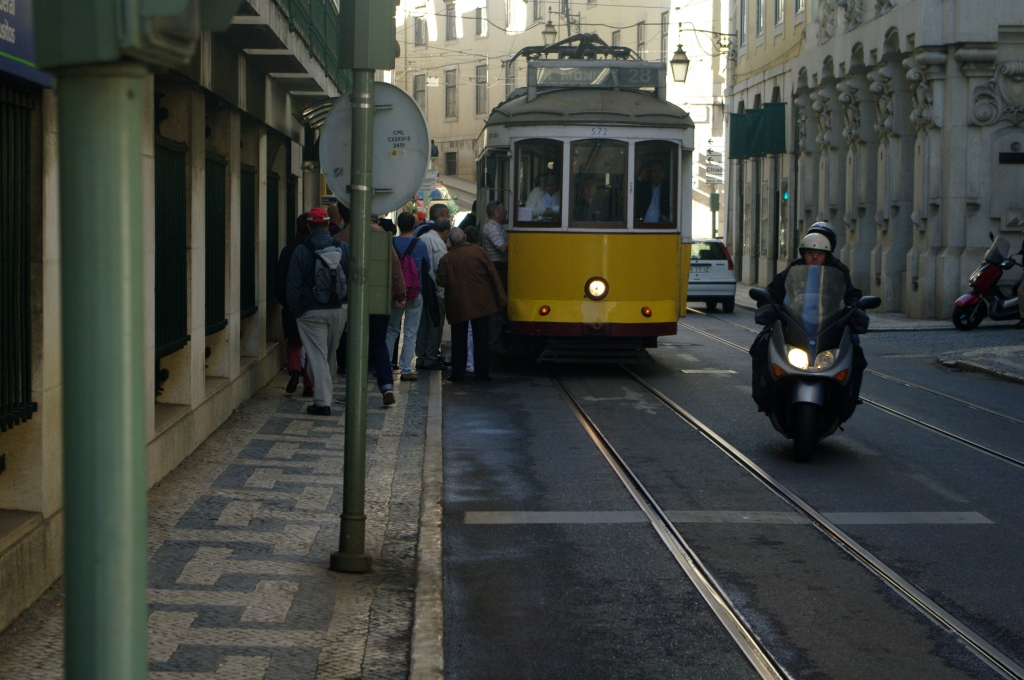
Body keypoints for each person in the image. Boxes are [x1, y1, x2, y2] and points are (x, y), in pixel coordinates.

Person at [750, 231, 865, 413]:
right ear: (803, 253)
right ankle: (764, 394)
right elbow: (773, 292)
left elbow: (852, 295)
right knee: (760, 345)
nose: (814, 256)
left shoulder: (838, 272)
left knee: (856, 351)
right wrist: (770, 304)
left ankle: (847, 398)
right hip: (796, 323)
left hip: (829, 325)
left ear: (827, 254)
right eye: (810, 252)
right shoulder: (793, 271)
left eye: (819, 253)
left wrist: (853, 309)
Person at [286, 207, 350, 415]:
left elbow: (293, 285)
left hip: (310, 313)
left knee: (317, 356)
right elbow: (353, 279)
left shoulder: (301, 250)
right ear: (327, 223)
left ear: (308, 225)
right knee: (329, 355)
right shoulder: (343, 248)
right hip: (339, 310)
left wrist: (297, 312)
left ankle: (322, 402)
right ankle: (324, 394)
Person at [435, 227, 508, 382]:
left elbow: (441, 281)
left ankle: (458, 374)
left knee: (458, 340)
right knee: (481, 339)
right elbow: (492, 274)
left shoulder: (447, 258)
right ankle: (482, 374)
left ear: (450, 242)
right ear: (465, 237)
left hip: (458, 303)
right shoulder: (479, 252)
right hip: (481, 303)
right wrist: (500, 297)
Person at [387, 212, 431, 381]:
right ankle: (406, 370)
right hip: (414, 293)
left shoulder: (390, 242)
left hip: (395, 293)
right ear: (413, 226)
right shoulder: (419, 244)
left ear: (398, 225)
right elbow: (427, 266)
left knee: (391, 330)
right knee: (411, 332)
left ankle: (386, 366)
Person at [370, 220, 407, 405]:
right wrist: (400, 294)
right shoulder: (381, 237)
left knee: (352, 345)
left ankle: (350, 390)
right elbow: (395, 268)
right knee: (379, 343)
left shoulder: (340, 237)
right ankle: (386, 386)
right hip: (378, 297)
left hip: (351, 302)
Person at [278, 213, 314, 397]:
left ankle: (294, 371)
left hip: (291, 305)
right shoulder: (313, 250)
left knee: (294, 342)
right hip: (310, 305)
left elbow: (281, 279)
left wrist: (284, 302)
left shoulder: (287, 250)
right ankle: (309, 383)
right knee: (310, 346)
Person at [416, 217, 452, 370]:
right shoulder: (439, 244)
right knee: (435, 325)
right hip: (436, 291)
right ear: (445, 232)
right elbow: (441, 268)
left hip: (421, 289)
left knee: (422, 325)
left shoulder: (421, 238)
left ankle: (420, 357)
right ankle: (430, 358)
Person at [480, 200, 509, 347]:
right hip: (498, 268)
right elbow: (502, 248)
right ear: (496, 212)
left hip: (499, 267)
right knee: (498, 306)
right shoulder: (491, 228)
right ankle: (494, 341)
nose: (506, 213)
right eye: (503, 210)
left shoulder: (496, 226)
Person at [634, 159, 672, 224]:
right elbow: (631, 194)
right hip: (641, 227)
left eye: (660, 170)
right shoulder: (644, 187)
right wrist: (640, 178)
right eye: (654, 171)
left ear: (664, 172)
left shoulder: (669, 189)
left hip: (662, 229)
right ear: (649, 173)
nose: (657, 174)